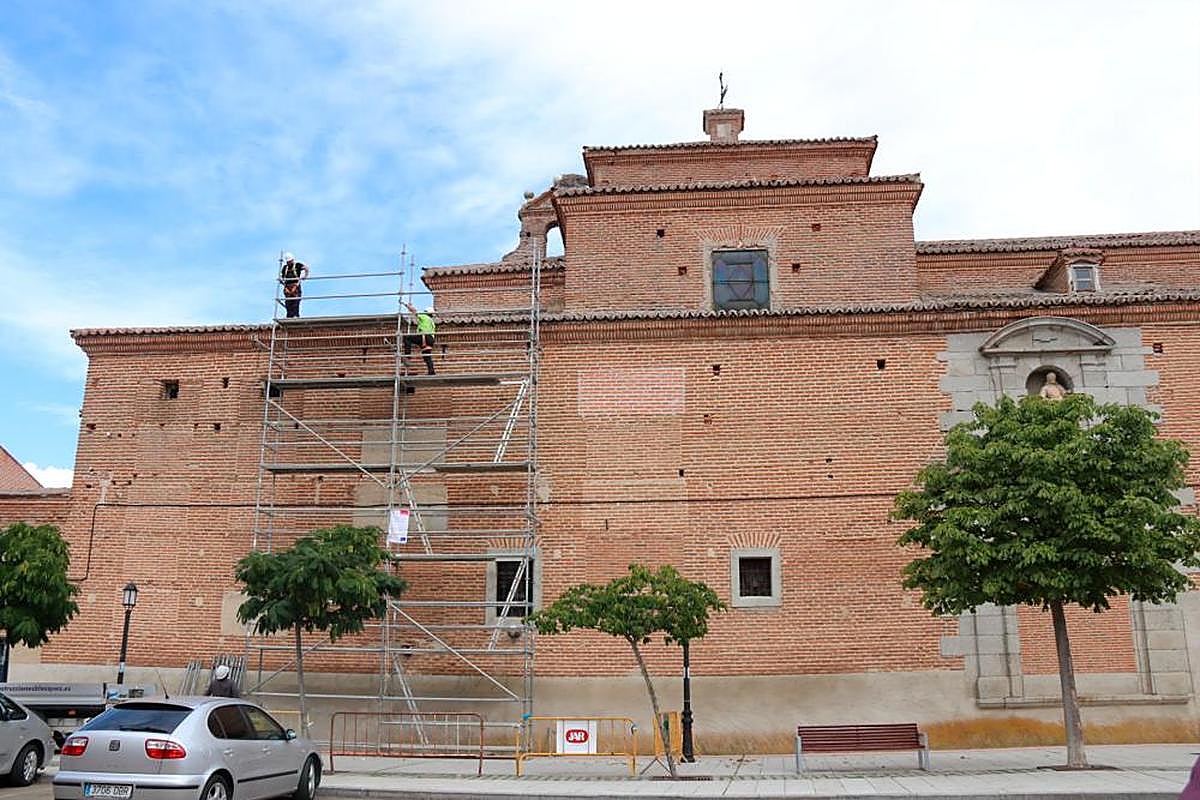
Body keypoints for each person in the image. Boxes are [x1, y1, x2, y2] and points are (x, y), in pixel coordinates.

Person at [403, 301, 437, 375]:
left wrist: (407, 305)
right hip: (430, 340)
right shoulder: (432, 322)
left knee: (407, 338)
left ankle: (407, 357)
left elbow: (414, 311)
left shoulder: (424, 316)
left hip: (425, 336)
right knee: (426, 356)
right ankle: (431, 371)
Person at [279, 252, 310, 318]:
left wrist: (305, 276)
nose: (288, 263)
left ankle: (295, 316)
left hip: (295, 286)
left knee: (296, 302)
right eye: (287, 262)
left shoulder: (297, 265)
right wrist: (284, 286)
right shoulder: (285, 268)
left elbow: (306, 268)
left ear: (292, 260)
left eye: (290, 261)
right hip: (287, 287)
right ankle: (289, 316)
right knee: (288, 303)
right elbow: (281, 278)